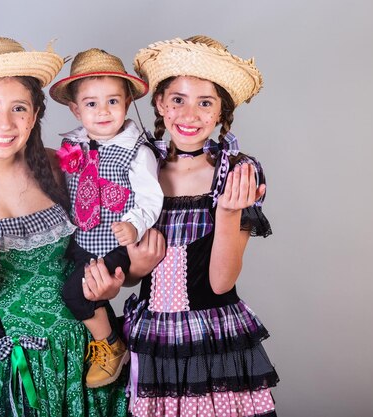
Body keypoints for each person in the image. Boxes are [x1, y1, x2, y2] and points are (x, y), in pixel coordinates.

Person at [0, 37, 130, 417]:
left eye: (19, 108)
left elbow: (111, 242)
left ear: (34, 115)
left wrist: (112, 281)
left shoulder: (57, 163)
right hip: (24, 366)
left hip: (94, 355)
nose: (5, 123)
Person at [120, 36, 280, 416]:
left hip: (210, 334)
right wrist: (138, 266)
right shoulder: (141, 168)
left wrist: (227, 213)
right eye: (178, 99)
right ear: (159, 103)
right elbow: (127, 271)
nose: (189, 115)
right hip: (153, 335)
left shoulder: (236, 171)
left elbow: (221, 282)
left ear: (221, 111)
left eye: (204, 102)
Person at [48, 49, 163, 388]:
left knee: (77, 292)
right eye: (91, 104)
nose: (102, 112)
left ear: (127, 103)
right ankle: (97, 340)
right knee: (60, 286)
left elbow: (150, 197)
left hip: (115, 243)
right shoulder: (73, 145)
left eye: (112, 101)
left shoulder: (137, 151)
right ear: (75, 108)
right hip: (83, 238)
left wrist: (135, 224)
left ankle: (112, 347)